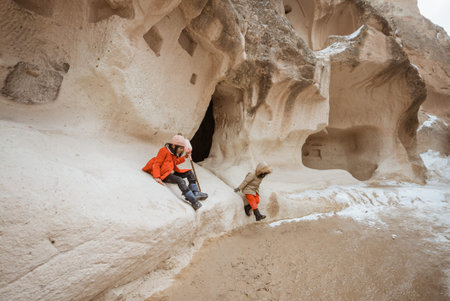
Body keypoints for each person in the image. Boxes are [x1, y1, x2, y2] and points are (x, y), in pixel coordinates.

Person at [142, 134, 208, 210]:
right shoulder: (163, 151)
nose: (181, 150)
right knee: (180, 180)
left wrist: (185, 156)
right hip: (165, 174)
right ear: (173, 146)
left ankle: (195, 192)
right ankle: (193, 201)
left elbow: (174, 162)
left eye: (183, 148)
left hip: (171, 171)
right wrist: (157, 177)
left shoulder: (172, 153)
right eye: (180, 148)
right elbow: (157, 164)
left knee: (189, 173)